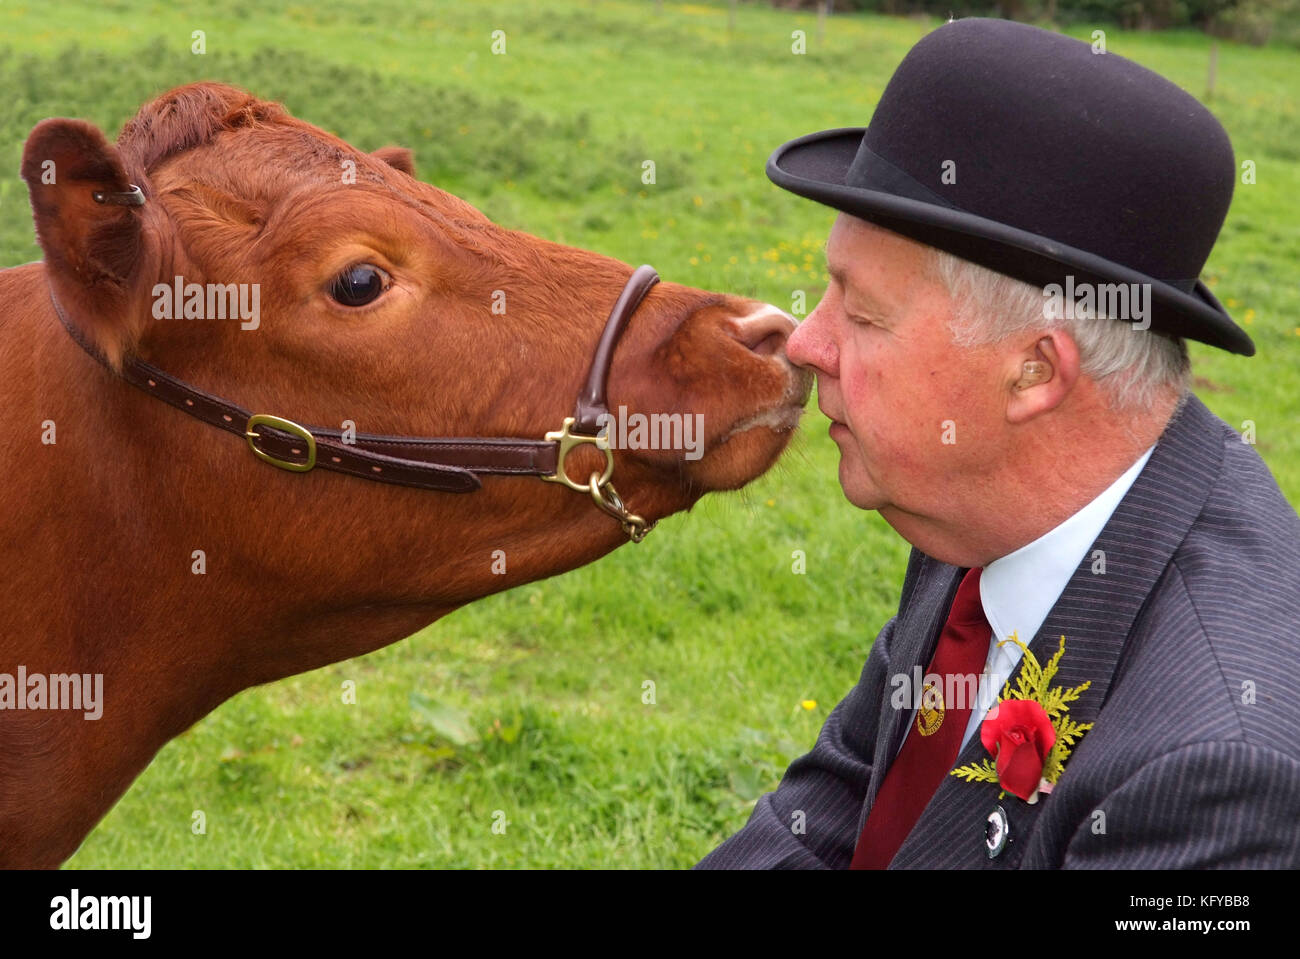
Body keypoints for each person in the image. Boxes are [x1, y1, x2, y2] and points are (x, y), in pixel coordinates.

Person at [697, 17, 1300, 869]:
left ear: (1032, 374)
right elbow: (840, 798)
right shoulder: (985, 506)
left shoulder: (1219, 773)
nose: (806, 342)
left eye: (864, 315)